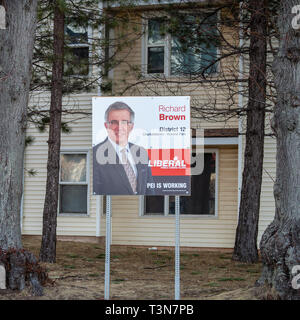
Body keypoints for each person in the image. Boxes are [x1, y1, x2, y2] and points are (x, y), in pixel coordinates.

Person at [93, 101, 155, 195]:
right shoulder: (95, 154)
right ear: (106, 126)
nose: (119, 127)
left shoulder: (141, 152)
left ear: (131, 126)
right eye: (114, 122)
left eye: (124, 122)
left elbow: (149, 189)